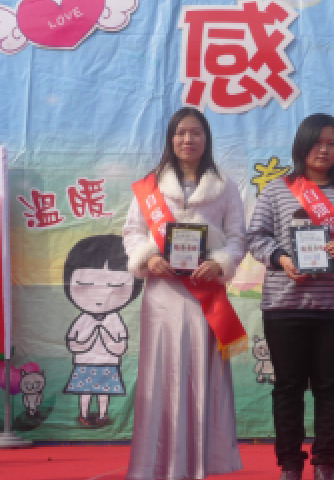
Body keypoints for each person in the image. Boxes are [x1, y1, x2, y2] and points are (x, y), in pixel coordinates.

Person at [247, 113, 334, 480]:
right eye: (317, 142)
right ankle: (290, 464)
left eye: (331, 144)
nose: (324, 150)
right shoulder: (277, 190)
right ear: (302, 145)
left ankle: (325, 463)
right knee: (288, 387)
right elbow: (256, 237)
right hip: (284, 305)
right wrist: (282, 259)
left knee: (329, 386)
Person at [123, 107, 247, 480]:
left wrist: (220, 263)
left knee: (202, 376)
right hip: (162, 293)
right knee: (161, 374)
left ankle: (199, 464)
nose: (187, 140)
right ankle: (156, 464)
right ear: (171, 139)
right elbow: (132, 233)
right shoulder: (150, 187)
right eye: (180, 133)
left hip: (205, 295)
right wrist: (148, 258)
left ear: (206, 139)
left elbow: (238, 238)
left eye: (195, 133)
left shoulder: (225, 186)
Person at [63, 235, 143, 427]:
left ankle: (102, 415)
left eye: (115, 287)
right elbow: (72, 343)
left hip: (109, 362)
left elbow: (121, 346)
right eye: (85, 285)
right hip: (84, 362)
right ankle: (83, 414)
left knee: (104, 392)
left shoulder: (115, 319)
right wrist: (89, 340)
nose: (99, 297)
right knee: (84, 391)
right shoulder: (83, 318)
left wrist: (106, 337)